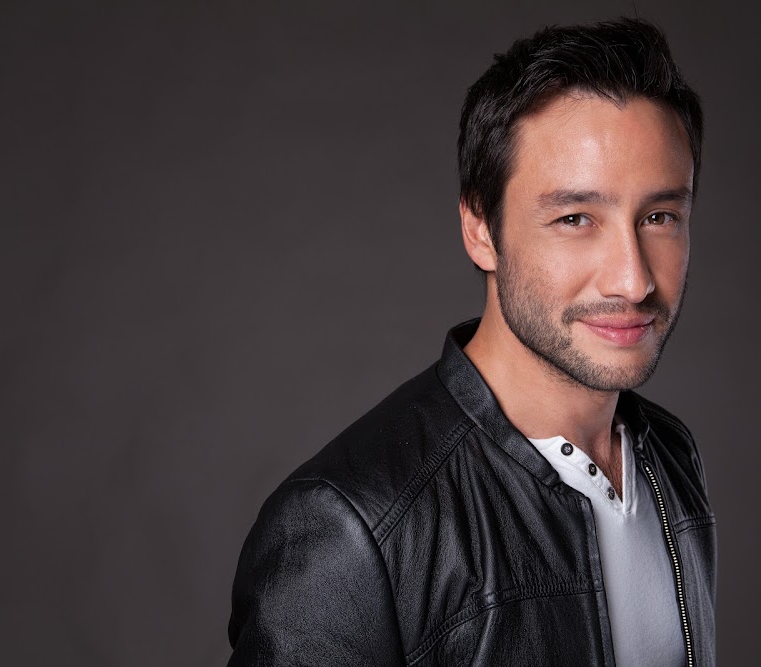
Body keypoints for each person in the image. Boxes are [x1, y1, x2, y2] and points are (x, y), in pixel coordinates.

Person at [227, 17, 716, 666]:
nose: (632, 279)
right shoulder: (352, 528)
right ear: (481, 229)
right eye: (575, 218)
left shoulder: (669, 457)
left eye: (659, 216)